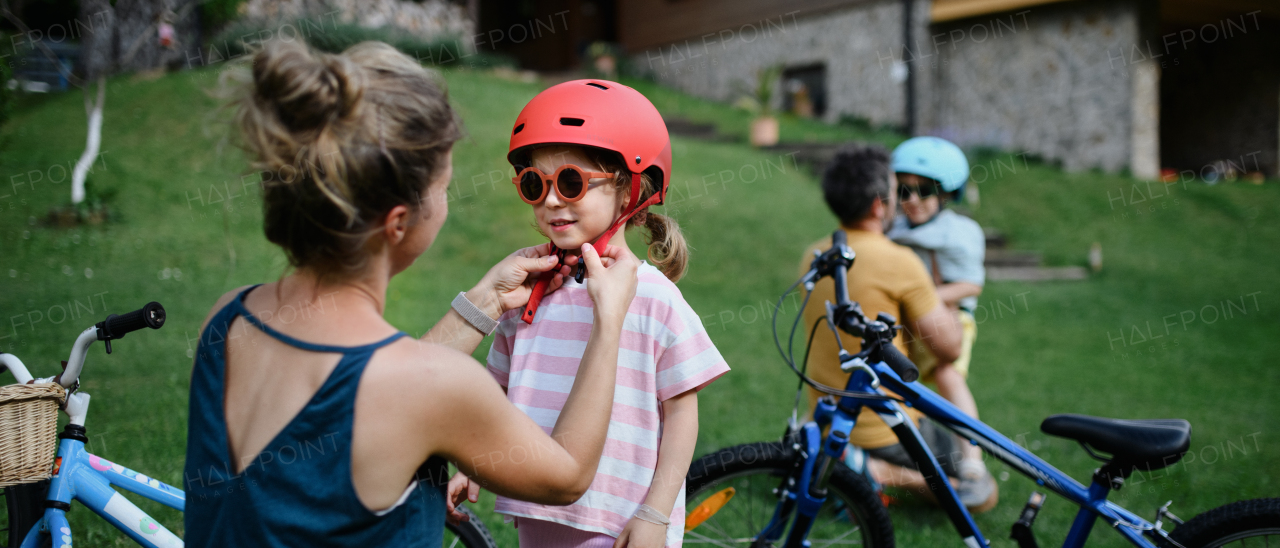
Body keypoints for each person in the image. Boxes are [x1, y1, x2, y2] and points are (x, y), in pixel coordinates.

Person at [184, 41, 640, 548]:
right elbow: (568, 476)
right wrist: (609, 321)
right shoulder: (436, 388)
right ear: (399, 223)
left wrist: (484, 303)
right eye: (444, 186)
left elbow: (367, 401)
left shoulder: (227, 321)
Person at [449, 80, 731, 548]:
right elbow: (493, 393)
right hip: (537, 508)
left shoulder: (654, 297)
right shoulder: (527, 294)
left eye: (572, 182)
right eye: (535, 184)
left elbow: (682, 415)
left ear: (629, 190)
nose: (551, 201)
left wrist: (655, 513)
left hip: (622, 524)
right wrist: (471, 463)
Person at [796, 144, 997, 512]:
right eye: (897, 191)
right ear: (878, 206)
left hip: (829, 417)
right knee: (983, 495)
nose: (906, 201)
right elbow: (949, 350)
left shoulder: (814, 255)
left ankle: (829, 459)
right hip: (885, 429)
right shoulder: (899, 261)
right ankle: (876, 472)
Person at [886, 136, 992, 496]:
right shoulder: (896, 231)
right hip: (905, 324)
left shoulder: (959, 232)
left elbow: (970, 286)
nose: (912, 200)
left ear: (946, 193)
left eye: (923, 190)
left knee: (948, 375)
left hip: (947, 320)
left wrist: (924, 299)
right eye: (903, 190)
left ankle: (972, 458)